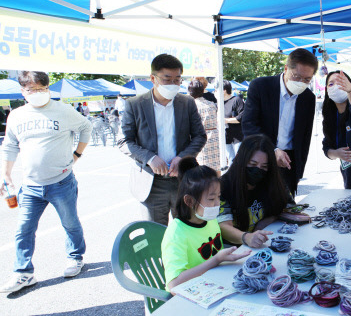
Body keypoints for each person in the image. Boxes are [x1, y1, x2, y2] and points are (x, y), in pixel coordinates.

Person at [0, 71, 93, 293]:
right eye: (32, 89)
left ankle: (75, 257)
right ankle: (23, 272)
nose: (38, 93)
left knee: (70, 222)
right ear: (23, 91)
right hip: (30, 185)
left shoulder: (62, 110)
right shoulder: (16, 116)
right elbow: (11, 145)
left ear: (48, 89)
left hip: (61, 182)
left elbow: (85, 128)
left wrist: (76, 155)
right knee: (24, 229)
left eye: (42, 89)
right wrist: (6, 174)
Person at [118, 53, 207, 226]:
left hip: (181, 179)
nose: (173, 84)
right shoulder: (135, 105)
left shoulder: (187, 103)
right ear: (153, 78)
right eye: (167, 79)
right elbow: (124, 142)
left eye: (177, 79)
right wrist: (149, 158)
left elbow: (199, 136)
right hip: (151, 184)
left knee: (186, 229)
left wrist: (183, 158)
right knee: (155, 234)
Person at [162, 157, 250, 290]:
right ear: (189, 201)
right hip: (193, 293)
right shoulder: (176, 234)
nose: (217, 203)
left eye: (219, 197)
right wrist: (216, 260)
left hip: (215, 284)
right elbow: (174, 284)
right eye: (211, 198)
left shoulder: (209, 219)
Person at [242, 48, 318, 196]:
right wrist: (273, 150)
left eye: (307, 80)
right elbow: (249, 125)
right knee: (256, 205)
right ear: (286, 68)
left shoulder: (308, 97)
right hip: (259, 157)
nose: (301, 82)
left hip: (288, 163)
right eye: (296, 76)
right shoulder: (260, 86)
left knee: (285, 207)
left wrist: (298, 171)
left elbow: (305, 137)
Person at [218, 134, 293, 248]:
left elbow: (289, 207)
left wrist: (269, 220)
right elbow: (224, 226)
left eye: (264, 166)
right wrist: (247, 237)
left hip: (266, 244)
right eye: (252, 164)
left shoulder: (273, 182)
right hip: (232, 250)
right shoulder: (222, 187)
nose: (257, 170)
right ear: (239, 158)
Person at [188, 80, 220, 173]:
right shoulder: (212, 104)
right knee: (217, 168)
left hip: (201, 138)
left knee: (203, 169)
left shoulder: (192, 106)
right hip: (215, 136)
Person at [223, 80, 245, 167]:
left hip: (238, 137)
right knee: (230, 160)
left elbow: (241, 117)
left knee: (239, 161)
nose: (215, 91)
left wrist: (225, 120)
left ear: (224, 90)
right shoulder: (219, 103)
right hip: (226, 137)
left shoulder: (236, 100)